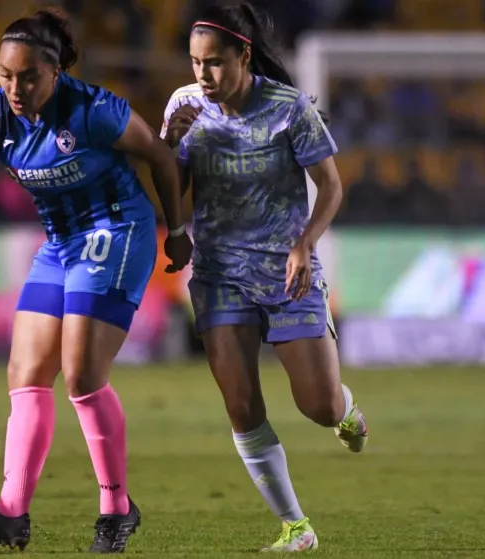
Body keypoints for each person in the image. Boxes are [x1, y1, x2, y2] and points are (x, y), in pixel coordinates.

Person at [0, 8, 193, 554]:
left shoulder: (95, 109)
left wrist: (177, 229)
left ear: (56, 71)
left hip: (118, 228)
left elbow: (159, 157)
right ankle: (10, 514)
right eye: (6, 75)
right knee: (25, 371)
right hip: (60, 244)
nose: (15, 87)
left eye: (28, 76)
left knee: (80, 375)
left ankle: (117, 510)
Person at [161, 3, 369, 552]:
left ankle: (346, 411)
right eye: (194, 62)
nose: (201, 75)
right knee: (241, 404)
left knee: (318, 406)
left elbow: (330, 187)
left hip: (286, 273)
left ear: (243, 56)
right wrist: (166, 151)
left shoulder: (289, 108)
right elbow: (168, 184)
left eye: (213, 63)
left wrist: (304, 245)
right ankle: (295, 526)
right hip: (219, 273)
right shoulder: (183, 106)